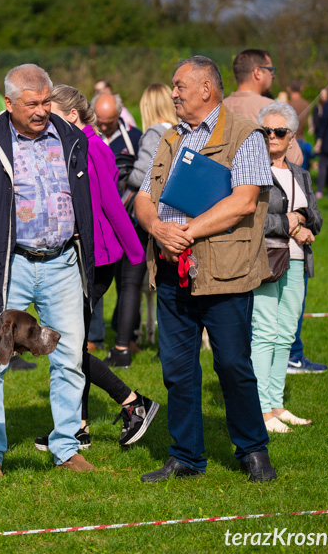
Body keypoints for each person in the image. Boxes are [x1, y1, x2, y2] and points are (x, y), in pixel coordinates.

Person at [135, 55, 276, 483]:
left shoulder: (244, 134)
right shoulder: (170, 137)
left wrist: (186, 231)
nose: (172, 93)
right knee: (177, 369)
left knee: (233, 365)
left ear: (206, 89)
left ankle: (253, 450)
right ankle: (186, 456)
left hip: (225, 272)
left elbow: (244, 201)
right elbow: (144, 195)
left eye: (179, 86)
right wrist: (158, 227)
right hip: (172, 270)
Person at [0, 64, 96, 477]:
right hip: (8, 265)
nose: (41, 110)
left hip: (63, 262)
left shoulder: (72, 138)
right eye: (32, 103)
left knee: (69, 356)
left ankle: (67, 446)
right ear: (8, 103)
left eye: (46, 101)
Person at [30, 84, 158, 451]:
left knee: (69, 346)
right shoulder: (77, 145)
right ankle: (78, 427)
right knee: (73, 342)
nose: (44, 122)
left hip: (95, 259)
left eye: (51, 115)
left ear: (71, 116)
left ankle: (133, 402)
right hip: (85, 255)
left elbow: (113, 205)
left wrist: (136, 254)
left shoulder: (92, 147)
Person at [252, 102, 322, 434]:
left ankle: (277, 406)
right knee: (264, 332)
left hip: (296, 262)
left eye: (279, 132)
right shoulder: (253, 172)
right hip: (264, 260)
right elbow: (252, 220)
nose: (272, 137)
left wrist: (303, 222)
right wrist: (291, 223)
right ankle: (262, 411)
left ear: (291, 136)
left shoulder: (301, 174)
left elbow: (317, 217)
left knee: (285, 334)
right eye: (266, 131)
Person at [109, 83, 180, 366]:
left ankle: (129, 347)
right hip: (176, 214)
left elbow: (143, 176)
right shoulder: (181, 130)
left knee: (138, 282)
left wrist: (122, 176)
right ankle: (171, 347)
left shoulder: (154, 132)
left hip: (153, 217)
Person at [91, 92, 142, 350]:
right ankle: (93, 337)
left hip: (127, 219)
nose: (103, 126)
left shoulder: (134, 137)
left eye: (109, 121)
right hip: (98, 223)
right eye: (99, 120)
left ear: (119, 115)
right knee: (95, 279)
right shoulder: (87, 136)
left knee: (127, 281)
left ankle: (129, 334)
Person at [223, 49, 303, 167]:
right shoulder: (271, 108)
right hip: (265, 184)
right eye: (270, 70)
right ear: (257, 72)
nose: (273, 75)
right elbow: (296, 159)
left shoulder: (218, 108)